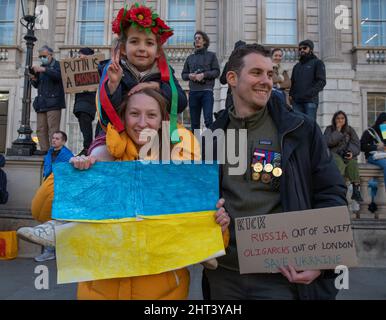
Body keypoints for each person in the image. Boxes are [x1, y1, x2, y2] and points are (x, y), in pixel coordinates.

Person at [202, 44, 347, 300]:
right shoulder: (211, 137)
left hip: (280, 277)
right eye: (257, 73)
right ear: (232, 79)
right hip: (223, 276)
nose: (266, 81)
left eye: (270, 74)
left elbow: (330, 191)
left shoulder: (301, 131)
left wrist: (322, 259)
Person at [71, 88, 229, 300]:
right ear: (124, 117)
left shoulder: (182, 166)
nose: (142, 122)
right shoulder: (102, 157)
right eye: (135, 114)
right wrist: (75, 174)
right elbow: (40, 209)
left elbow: (207, 237)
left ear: (162, 120)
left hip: (163, 292)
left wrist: (219, 227)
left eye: (151, 115)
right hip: (100, 289)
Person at [98, 4, 187, 141]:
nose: (142, 48)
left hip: (154, 139)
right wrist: (113, 85)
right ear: (122, 48)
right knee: (100, 154)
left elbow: (180, 103)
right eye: (134, 42)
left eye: (149, 43)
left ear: (158, 51)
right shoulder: (112, 70)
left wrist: (156, 86)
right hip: (116, 138)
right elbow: (106, 114)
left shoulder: (165, 74)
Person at [17, 131, 73, 262]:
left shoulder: (67, 155)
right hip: (48, 187)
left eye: (57, 139)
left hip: (59, 191)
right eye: (53, 138)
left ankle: (51, 251)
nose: (54, 140)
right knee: (46, 217)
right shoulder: (50, 153)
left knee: (53, 219)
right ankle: (51, 250)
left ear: (64, 142)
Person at [30, 45, 66, 155]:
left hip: (54, 103)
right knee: (41, 128)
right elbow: (37, 85)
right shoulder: (41, 68)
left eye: (44, 56)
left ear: (51, 55)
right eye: (40, 56)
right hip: (41, 103)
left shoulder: (58, 65)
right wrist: (33, 78)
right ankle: (44, 149)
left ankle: (54, 150)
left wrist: (44, 70)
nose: (42, 58)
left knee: (53, 129)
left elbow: (60, 77)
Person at [182, 31, 220, 131]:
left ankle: (212, 144)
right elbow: (183, 75)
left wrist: (204, 75)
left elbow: (216, 72)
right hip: (193, 92)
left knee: (208, 120)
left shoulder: (211, 56)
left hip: (207, 91)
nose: (197, 40)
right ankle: (196, 145)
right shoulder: (190, 58)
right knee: (194, 123)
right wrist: (190, 76)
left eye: (199, 38)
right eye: (195, 38)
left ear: (204, 41)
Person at [324, 111, 363, 202]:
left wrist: (351, 152)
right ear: (334, 119)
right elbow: (327, 142)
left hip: (345, 154)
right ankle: (339, 187)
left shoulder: (350, 130)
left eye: (342, 118)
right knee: (339, 163)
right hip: (334, 154)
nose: (340, 120)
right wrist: (337, 131)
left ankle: (356, 190)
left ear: (345, 119)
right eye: (338, 118)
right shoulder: (329, 129)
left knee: (353, 162)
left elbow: (356, 144)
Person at [289, 40, 326, 121]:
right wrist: (291, 96)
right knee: (298, 126)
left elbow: (321, 81)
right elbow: (292, 82)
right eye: (300, 49)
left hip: (310, 101)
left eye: (305, 48)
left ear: (311, 49)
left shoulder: (318, 63)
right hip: (297, 102)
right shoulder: (296, 66)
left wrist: (310, 93)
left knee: (310, 126)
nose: (302, 50)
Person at [74, 47, 97, 156]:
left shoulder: (97, 67)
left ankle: (89, 147)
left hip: (89, 100)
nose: (79, 57)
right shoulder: (76, 67)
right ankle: (88, 146)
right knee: (83, 123)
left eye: (81, 55)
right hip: (80, 101)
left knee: (85, 118)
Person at [361, 112, 386, 187]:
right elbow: (361, 147)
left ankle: (372, 185)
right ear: (380, 121)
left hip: (383, 156)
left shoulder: (384, 131)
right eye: (384, 122)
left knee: (374, 188)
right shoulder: (369, 132)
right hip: (372, 157)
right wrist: (376, 147)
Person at [220, 41, 246, 110]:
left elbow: (222, 80)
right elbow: (222, 80)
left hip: (237, 94)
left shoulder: (229, 63)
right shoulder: (229, 64)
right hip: (234, 94)